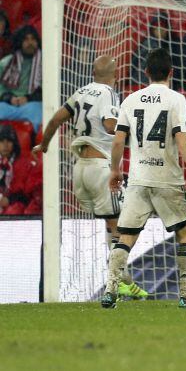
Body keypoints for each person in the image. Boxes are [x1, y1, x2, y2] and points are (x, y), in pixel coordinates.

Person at [34, 55, 149, 299]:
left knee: (115, 221)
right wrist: (130, 129)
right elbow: (110, 126)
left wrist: (44, 145)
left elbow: (56, 119)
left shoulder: (80, 92)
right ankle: (118, 280)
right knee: (129, 221)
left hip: (81, 170)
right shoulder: (108, 93)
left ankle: (123, 278)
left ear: (93, 73)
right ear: (114, 75)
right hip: (100, 168)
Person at [101, 48, 186, 309]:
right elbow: (181, 135)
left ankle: (110, 291)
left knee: (125, 236)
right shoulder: (176, 99)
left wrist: (115, 170)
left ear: (146, 72)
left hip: (138, 179)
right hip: (167, 179)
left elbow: (118, 139)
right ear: (171, 72)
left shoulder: (130, 100)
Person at [0, 26, 42, 127]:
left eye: (33, 39)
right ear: (20, 42)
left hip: (32, 104)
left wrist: (28, 98)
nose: (30, 43)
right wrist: (10, 98)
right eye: (26, 39)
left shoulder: (45, 61)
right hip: (9, 105)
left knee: (39, 111)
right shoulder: (6, 63)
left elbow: (48, 89)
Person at [0, 124, 41, 215]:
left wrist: (8, 200)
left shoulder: (24, 164)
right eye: (1, 141)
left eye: (9, 141)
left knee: (14, 210)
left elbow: (27, 195)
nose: (5, 145)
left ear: (14, 143)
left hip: (15, 205)